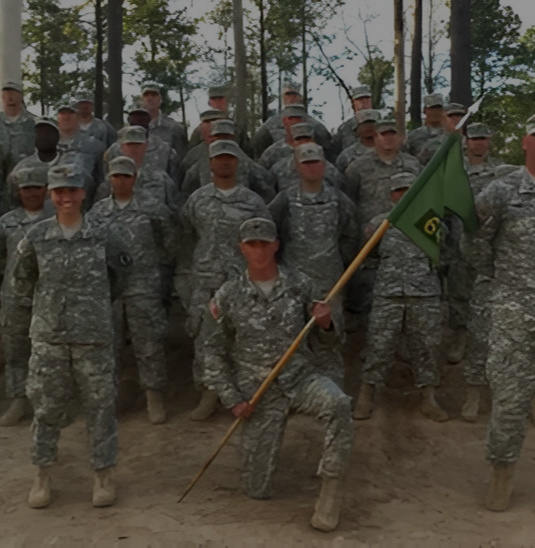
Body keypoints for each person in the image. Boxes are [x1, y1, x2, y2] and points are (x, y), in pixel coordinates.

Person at [203, 217, 354, 532]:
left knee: (339, 404)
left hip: (300, 379)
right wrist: (232, 400)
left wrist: (326, 323)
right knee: (257, 490)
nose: (259, 250)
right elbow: (213, 353)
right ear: (241, 248)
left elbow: (329, 343)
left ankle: (331, 489)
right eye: (251, 244)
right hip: (257, 394)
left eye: (264, 243)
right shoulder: (227, 295)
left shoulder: (301, 285)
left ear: (275, 245)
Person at [10, 163, 132, 509]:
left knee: (101, 407)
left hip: (93, 337)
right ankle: (42, 475)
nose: (66, 197)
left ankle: (103, 475)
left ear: (83, 193)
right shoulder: (35, 237)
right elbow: (23, 282)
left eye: (72, 190)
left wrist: (91, 308)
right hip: (49, 338)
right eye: (59, 191)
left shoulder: (104, 234)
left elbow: (120, 276)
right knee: (46, 408)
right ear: (51, 195)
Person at [469, 115, 535, 512]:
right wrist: (501, 285)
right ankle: (502, 471)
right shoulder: (501, 191)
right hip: (515, 309)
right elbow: (476, 243)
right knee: (510, 395)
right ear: (527, 142)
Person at [180, 140, 271, 421]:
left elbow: (265, 240)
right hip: (205, 279)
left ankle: (244, 394)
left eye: (230, 158)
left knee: (244, 335)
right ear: (210, 163)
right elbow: (185, 236)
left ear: (238, 163)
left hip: (241, 280)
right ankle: (209, 394)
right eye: (219, 158)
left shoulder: (252, 201)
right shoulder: (197, 199)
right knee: (206, 338)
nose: (224, 162)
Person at [87, 156, 176, 424]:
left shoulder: (153, 207)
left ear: (134, 178)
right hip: (110, 289)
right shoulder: (97, 213)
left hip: (144, 285)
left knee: (149, 342)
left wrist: (156, 269)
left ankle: (153, 395)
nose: (121, 180)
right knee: (107, 345)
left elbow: (169, 242)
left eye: (126, 176)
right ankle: (108, 399)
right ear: (109, 179)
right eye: (116, 176)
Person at [353, 173, 448, 422]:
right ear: (391, 195)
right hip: (389, 293)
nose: (404, 194)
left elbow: (444, 253)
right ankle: (366, 394)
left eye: (409, 189)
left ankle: (429, 398)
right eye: (398, 190)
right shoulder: (380, 223)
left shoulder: (431, 222)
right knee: (378, 345)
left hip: (425, 292)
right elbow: (369, 256)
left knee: (427, 346)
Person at [269, 143, 358, 386]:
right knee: (291, 339)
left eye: (316, 162)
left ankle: (331, 392)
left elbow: (350, 236)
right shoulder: (284, 200)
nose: (312, 167)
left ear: (324, 165)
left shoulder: (339, 200)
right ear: (296, 166)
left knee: (330, 339)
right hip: (292, 283)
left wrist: (337, 264)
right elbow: (271, 235)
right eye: (306, 162)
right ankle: (294, 391)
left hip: (330, 284)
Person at [345, 119, 421, 316]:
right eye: (382, 134)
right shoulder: (357, 167)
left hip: (406, 240)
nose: (388, 139)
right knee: (367, 297)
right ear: (375, 138)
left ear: (401, 138)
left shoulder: (413, 165)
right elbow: (349, 203)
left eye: (392, 134)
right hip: (369, 242)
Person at [0, 166, 54, 426]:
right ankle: (19, 400)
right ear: (18, 192)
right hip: (15, 298)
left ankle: (48, 402)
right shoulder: (7, 222)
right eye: (26, 189)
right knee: (16, 351)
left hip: (50, 298)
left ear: (46, 190)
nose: (32, 193)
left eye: (37, 187)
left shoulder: (58, 218)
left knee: (50, 352)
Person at [181, 119, 275, 204]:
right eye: (218, 136)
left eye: (226, 136)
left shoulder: (246, 162)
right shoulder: (201, 162)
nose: (222, 139)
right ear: (213, 137)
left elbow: (265, 188)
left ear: (232, 137)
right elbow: (186, 192)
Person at [251, 81, 335, 161]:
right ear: (283, 97)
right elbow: (258, 147)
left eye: (294, 95)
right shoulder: (270, 124)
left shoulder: (316, 125)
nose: (291, 98)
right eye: (288, 94)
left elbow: (327, 153)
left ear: (300, 97)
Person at [104, 106, 181, 185]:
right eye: (135, 118)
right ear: (129, 122)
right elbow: (107, 178)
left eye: (143, 118)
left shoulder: (164, 148)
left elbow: (175, 179)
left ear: (148, 121)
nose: (139, 120)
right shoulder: (115, 149)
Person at [270, 123, 346, 193]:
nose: (303, 141)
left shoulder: (330, 170)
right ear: (292, 142)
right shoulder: (278, 168)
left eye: (307, 138)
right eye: (298, 139)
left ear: (313, 140)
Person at [56, 104, 106, 207]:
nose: (66, 117)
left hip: (84, 202)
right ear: (57, 118)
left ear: (78, 117)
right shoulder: (46, 143)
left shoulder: (94, 144)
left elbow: (101, 177)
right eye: (62, 113)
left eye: (71, 113)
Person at [0, 81, 35, 214]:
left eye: (13, 94)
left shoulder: (34, 124)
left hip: (27, 188)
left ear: (21, 96)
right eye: (6, 95)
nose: (10, 98)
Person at [140, 81, 188, 162]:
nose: (150, 98)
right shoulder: (134, 127)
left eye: (154, 95)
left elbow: (182, 159)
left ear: (160, 99)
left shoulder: (174, 127)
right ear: (142, 100)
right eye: (146, 95)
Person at [335, 109, 381, 174]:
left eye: (372, 123)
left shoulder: (393, 148)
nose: (368, 127)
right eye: (364, 124)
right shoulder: (346, 156)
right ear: (356, 131)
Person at [332, 85, 373, 154]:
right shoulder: (345, 128)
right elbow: (334, 152)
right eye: (359, 99)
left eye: (367, 98)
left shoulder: (382, 124)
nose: (364, 102)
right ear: (353, 102)